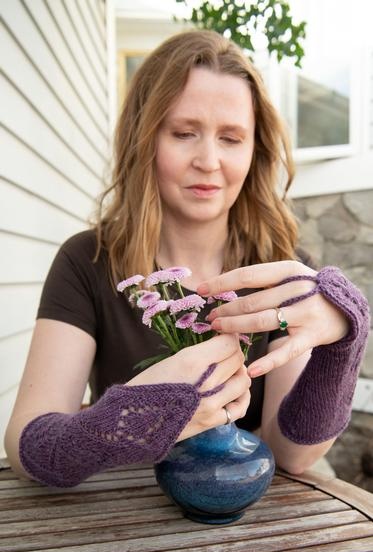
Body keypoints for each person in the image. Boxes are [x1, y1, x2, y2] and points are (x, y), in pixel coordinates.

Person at [4, 30, 369, 488]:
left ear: (255, 150)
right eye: (183, 133)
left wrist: (342, 344)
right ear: (145, 139)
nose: (208, 160)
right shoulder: (87, 261)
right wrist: (145, 412)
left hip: (246, 525)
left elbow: (291, 455)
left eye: (231, 138)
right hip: (115, 522)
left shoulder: (282, 269)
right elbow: (26, 445)